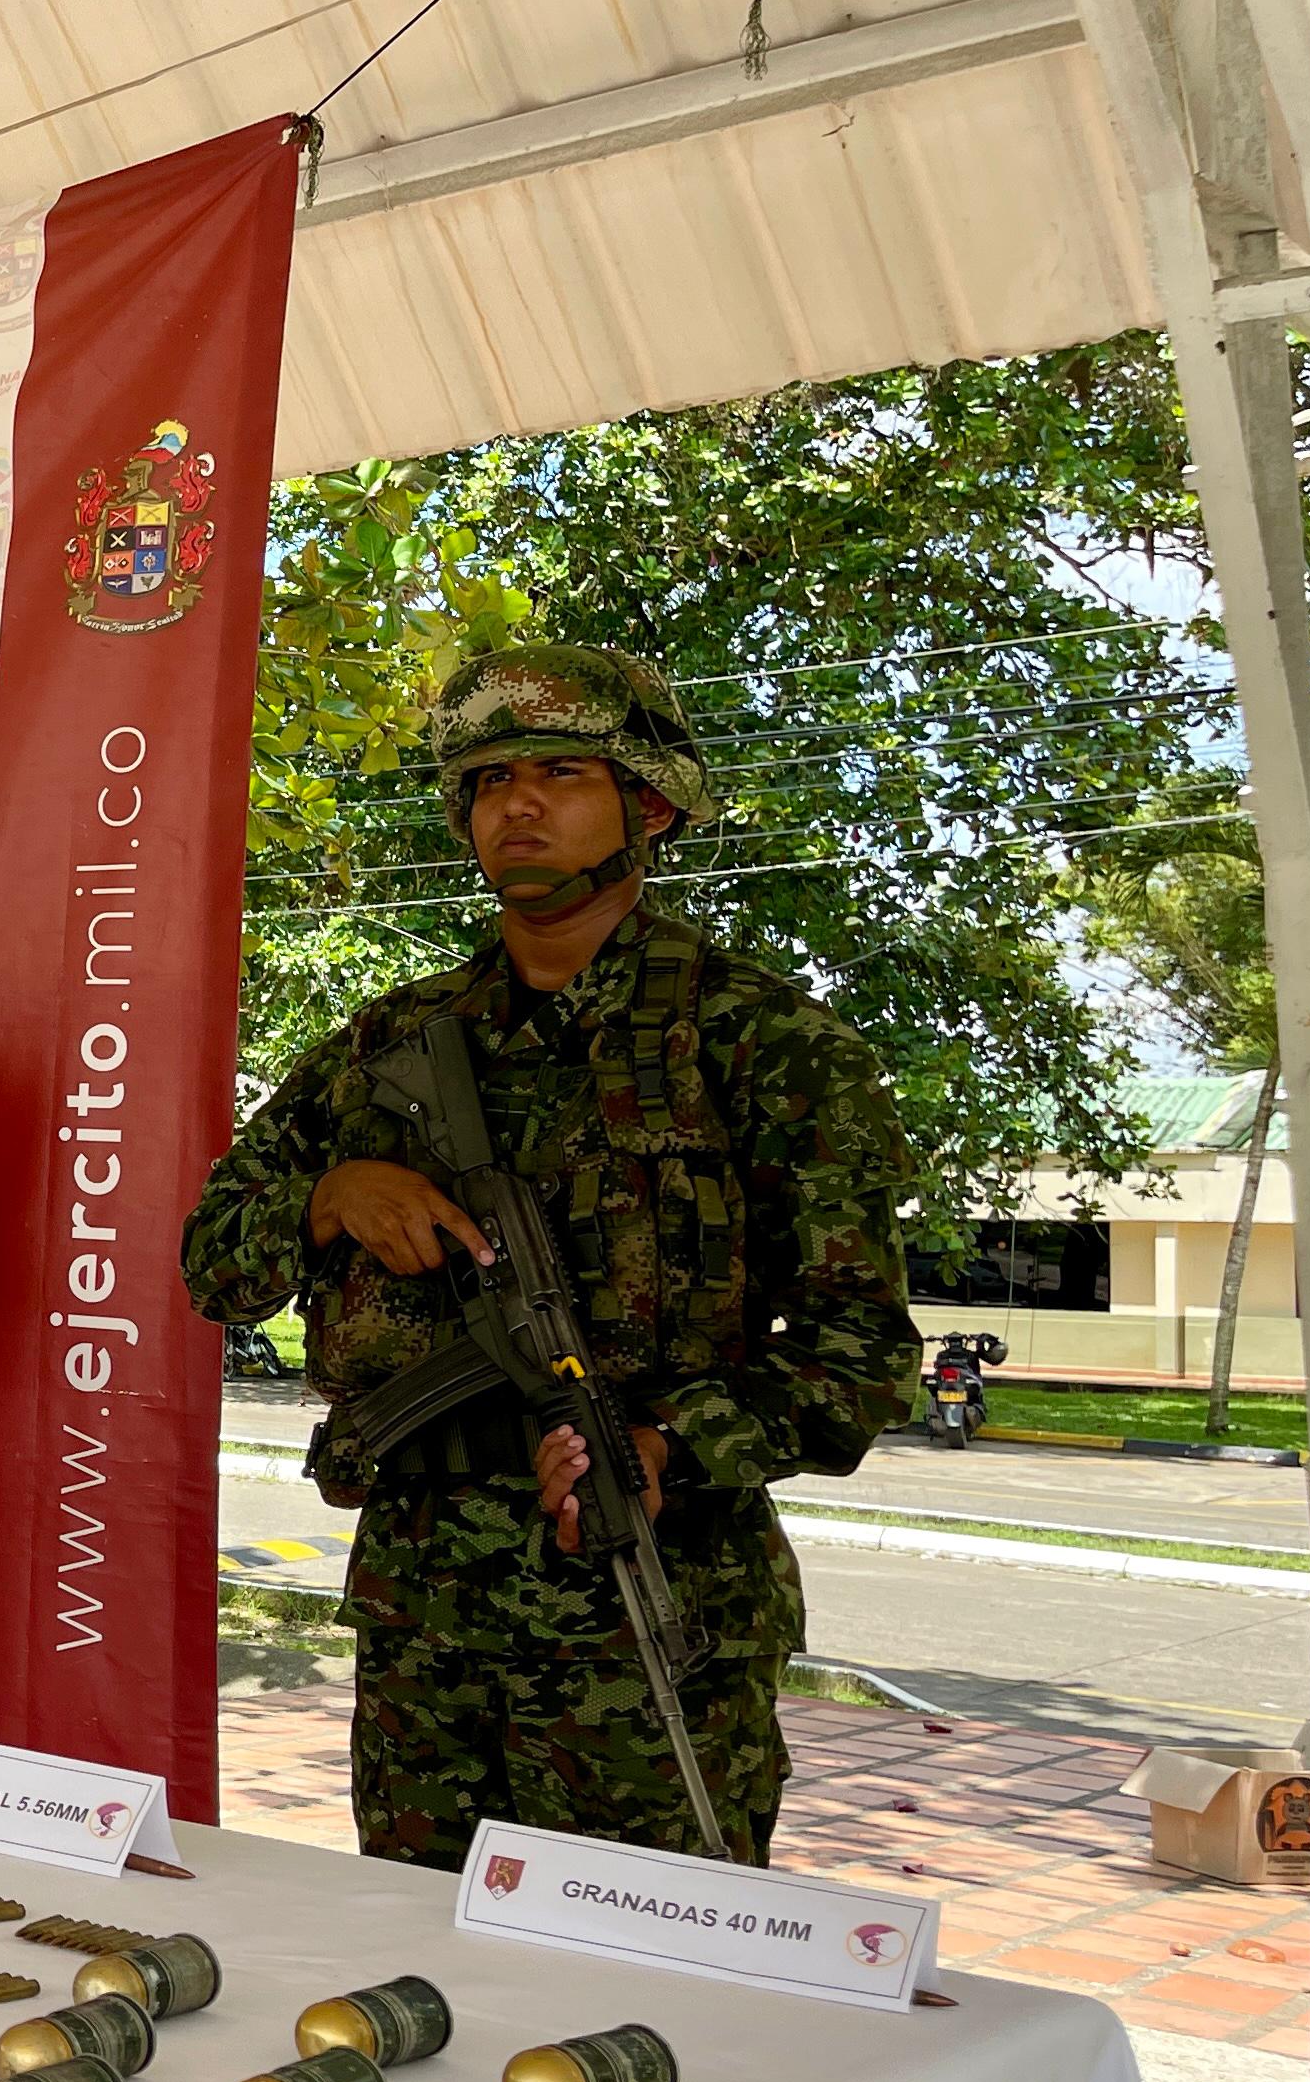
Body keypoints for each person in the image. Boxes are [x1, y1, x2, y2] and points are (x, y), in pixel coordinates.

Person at [178, 645, 916, 1868]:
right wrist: (330, 1197)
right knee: (418, 1966)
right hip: (428, 1613)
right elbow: (215, 1261)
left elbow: (863, 1354)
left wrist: (673, 1443)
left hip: (647, 1610)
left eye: (562, 773)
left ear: (653, 802)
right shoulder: (389, 1045)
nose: (514, 807)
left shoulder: (764, 1043)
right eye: (485, 780)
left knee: (652, 1985)